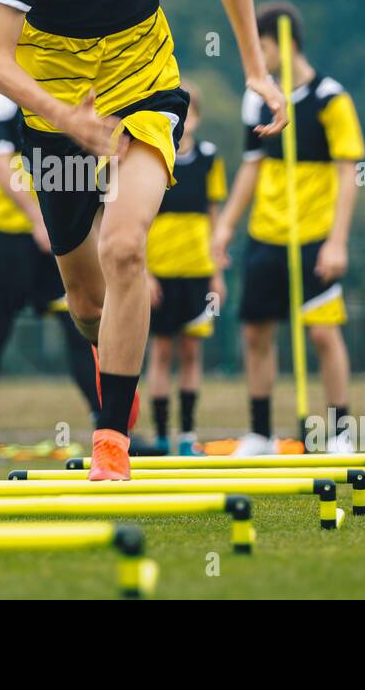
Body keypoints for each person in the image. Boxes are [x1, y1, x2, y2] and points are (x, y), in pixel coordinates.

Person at [0, 0, 287, 480]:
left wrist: (255, 71)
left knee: (125, 250)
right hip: (55, 125)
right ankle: (120, 365)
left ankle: (111, 444)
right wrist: (65, 118)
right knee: (87, 303)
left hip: (146, 99)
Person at [212, 0, 365, 455]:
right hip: (266, 234)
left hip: (315, 235)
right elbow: (251, 167)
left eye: (261, 47)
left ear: (286, 43)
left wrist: (337, 242)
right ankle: (260, 433)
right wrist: (224, 227)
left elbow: (348, 172)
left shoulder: (331, 99)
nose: (256, 59)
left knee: (322, 332)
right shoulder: (256, 98)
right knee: (256, 331)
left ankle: (339, 432)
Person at [0, 79, 102, 463]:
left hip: (57, 229)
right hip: (7, 234)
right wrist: (38, 218)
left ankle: (109, 432)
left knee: (82, 328)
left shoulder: (63, 78)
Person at [144, 81, 226, 456]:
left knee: (191, 353)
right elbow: (136, 219)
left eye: (192, 112)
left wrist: (216, 273)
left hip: (197, 271)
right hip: (158, 274)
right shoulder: (153, 156)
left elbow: (214, 218)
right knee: (161, 352)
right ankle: (161, 435)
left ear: (199, 117)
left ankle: (189, 435)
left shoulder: (210, 160)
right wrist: (143, 273)